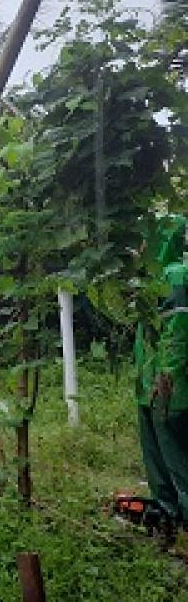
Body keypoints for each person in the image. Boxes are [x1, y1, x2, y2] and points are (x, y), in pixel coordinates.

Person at [135, 214, 188, 541]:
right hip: (148, 385)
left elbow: (179, 333)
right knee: (156, 458)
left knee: (177, 459)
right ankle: (168, 517)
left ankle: (183, 520)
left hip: (170, 389)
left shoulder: (178, 277)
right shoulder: (150, 280)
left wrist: (167, 375)